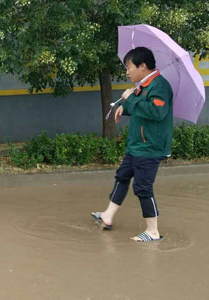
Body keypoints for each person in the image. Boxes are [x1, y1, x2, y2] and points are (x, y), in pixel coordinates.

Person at [91, 47, 173, 242]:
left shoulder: (159, 86)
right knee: (122, 176)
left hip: (150, 147)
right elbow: (137, 106)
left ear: (142, 66)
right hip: (136, 145)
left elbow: (156, 112)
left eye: (129, 67)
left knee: (143, 187)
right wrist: (123, 106)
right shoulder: (144, 85)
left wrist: (132, 99)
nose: (127, 72)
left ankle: (152, 231)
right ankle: (108, 216)